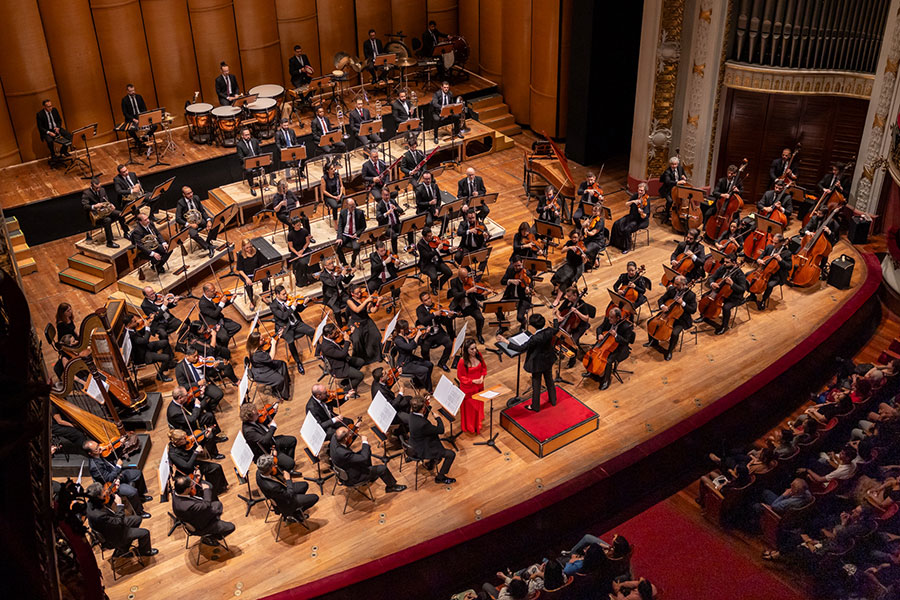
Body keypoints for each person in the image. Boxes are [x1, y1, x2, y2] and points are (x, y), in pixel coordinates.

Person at [497, 314, 558, 412]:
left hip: (537, 363)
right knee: (549, 380)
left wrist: (506, 341)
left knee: (536, 384)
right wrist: (555, 316)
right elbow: (556, 328)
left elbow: (521, 348)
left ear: (532, 326)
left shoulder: (534, 338)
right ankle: (553, 400)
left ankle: (535, 407)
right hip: (548, 359)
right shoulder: (549, 331)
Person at [85, 482, 157, 556]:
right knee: (145, 533)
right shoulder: (99, 515)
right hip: (115, 536)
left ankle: (124, 548)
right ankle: (145, 552)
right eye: (103, 491)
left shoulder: (91, 502)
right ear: (98, 496)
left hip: (111, 527)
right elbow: (118, 521)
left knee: (138, 519)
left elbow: (105, 502)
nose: (105, 492)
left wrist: (112, 492)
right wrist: (119, 505)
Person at [84, 440, 152, 517]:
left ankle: (141, 497)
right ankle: (140, 512)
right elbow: (108, 478)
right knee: (132, 492)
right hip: (112, 485)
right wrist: (118, 466)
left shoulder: (102, 453)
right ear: (90, 453)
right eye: (97, 449)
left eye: (98, 445)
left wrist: (121, 444)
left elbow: (115, 454)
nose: (100, 448)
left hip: (117, 474)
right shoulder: (94, 467)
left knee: (138, 473)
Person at [330, 426, 407, 493]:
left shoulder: (334, 438)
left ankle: (370, 476)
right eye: (349, 432)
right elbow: (364, 457)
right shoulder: (343, 453)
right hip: (353, 477)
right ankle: (391, 487)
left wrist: (355, 428)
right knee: (382, 468)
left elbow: (347, 442)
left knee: (366, 452)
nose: (350, 432)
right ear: (346, 438)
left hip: (345, 468)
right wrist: (364, 442)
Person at [239, 402, 301, 474]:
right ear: (249, 418)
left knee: (292, 440)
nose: (258, 414)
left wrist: (273, 412)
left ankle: (286, 467)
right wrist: (272, 427)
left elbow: (264, 421)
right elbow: (264, 440)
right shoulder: (249, 431)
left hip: (271, 442)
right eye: (256, 414)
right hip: (267, 451)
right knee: (291, 464)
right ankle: (284, 468)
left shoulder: (253, 420)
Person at [645, 275, 696, 361]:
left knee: (674, 334)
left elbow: (693, 310)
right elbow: (661, 299)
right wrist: (662, 306)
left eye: (677, 284)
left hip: (681, 319)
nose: (674, 286)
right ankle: (653, 341)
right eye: (675, 284)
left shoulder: (691, 295)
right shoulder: (672, 290)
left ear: (683, 285)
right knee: (650, 321)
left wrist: (683, 303)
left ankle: (669, 351)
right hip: (667, 314)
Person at [167, 386, 226, 459]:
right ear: (180, 397)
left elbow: (190, 404)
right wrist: (197, 406)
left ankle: (215, 437)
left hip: (190, 422)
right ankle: (214, 454)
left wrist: (200, 396)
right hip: (186, 431)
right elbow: (192, 419)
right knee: (208, 435)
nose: (188, 395)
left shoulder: (179, 402)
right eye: (186, 395)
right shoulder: (174, 413)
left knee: (209, 416)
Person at [408, 395, 456, 484]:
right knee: (451, 454)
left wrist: (427, 404)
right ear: (422, 409)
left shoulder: (411, 415)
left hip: (414, 443)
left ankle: (431, 462)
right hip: (423, 449)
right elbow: (441, 430)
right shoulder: (423, 424)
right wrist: (438, 419)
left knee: (437, 441)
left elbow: (422, 416)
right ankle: (440, 477)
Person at [171, 475, 235, 542]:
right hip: (200, 527)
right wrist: (206, 489)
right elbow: (206, 505)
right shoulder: (188, 506)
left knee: (218, 505)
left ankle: (214, 525)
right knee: (231, 527)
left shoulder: (176, 492)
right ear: (186, 489)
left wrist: (198, 478)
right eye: (191, 485)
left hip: (196, 517)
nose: (193, 486)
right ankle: (211, 537)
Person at [167, 429, 228, 498]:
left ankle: (217, 489)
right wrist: (195, 453)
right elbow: (187, 466)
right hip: (187, 471)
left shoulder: (184, 443)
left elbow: (197, 446)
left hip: (193, 464)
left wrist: (205, 437)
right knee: (212, 469)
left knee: (216, 467)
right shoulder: (173, 454)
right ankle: (210, 492)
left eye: (185, 437)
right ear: (177, 442)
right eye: (183, 439)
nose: (186, 439)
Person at [256, 454, 319, 518]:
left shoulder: (258, 472)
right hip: (285, 502)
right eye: (273, 465)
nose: (275, 466)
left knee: (304, 485)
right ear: (269, 469)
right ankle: (294, 513)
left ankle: (296, 507)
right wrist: (288, 479)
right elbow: (289, 495)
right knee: (315, 497)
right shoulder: (273, 487)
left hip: (280, 493)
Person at [270, 284, 314, 374]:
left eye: (285, 293)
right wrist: (293, 307)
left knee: (312, 331)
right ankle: (298, 362)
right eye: (283, 294)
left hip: (296, 323)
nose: (285, 295)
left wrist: (304, 303)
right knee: (290, 341)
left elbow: (299, 310)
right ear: (277, 295)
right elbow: (283, 316)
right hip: (285, 327)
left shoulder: (289, 299)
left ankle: (319, 352)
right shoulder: (273, 305)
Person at [701, 254, 747, 335]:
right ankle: (704, 315)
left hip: (733, 296)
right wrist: (712, 283)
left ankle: (724, 326)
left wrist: (732, 284)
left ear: (734, 263)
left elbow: (742, 289)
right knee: (704, 296)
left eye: (727, 262)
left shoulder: (739, 274)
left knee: (726, 308)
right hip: (720, 292)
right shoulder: (722, 268)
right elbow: (712, 277)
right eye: (724, 262)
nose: (724, 263)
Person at [592, 307, 635, 390]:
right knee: (594, 349)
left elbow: (626, 342)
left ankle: (606, 380)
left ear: (618, 318)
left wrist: (616, 335)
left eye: (611, 317)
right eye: (609, 316)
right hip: (607, 343)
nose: (609, 319)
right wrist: (599, 334)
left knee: (608, 360)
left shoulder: (627, 326)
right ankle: (592, 371)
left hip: (620, 348)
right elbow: (599, 328)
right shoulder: (608, 320)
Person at [319, 324, 365, 397]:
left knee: (361, 362)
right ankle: (346, 390)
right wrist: (347, 341)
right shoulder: (326, 347)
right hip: (339, 368)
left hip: (343, 360)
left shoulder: (329, 338)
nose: (337, 334)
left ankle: (349, 379)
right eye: (335, 333)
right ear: (328, 335)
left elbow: (339, 343)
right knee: (360, 376)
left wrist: (351, 333)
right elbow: (342, 354)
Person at [554, 286, 595, 367]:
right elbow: (558, 311)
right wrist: (560, 317)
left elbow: (586, 318)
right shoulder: (567, 301)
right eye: (567, 296)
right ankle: (560, 350)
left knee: (572, 342)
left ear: (575, 295)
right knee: (556, 332)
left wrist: (577, 312)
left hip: (580, 326)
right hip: (568, 324)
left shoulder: (582, 304)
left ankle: (572, 360)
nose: (567, 297)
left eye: (569, 296)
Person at [750, 233, 792, 310]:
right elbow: (761, 256)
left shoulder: (787, 253)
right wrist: (759, 260)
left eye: (775, 243)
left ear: (781, 243)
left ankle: (763, 300)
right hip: (763, 270)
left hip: (777, 275)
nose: (773, 244)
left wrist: (780, 260)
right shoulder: (769, 247)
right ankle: (752, 295)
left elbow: (789, 267)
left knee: (769, 285)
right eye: (773, 242)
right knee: (749, 276)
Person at [246, 330, 292, 401]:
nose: (264, 339)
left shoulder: (253, 347)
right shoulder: (257, 354)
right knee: (280, 379)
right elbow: (270, 358)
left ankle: (286, 383)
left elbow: (266, 353)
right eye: (261, 339)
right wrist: (273, 344)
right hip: (261, 372)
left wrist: (277, 337)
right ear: (256, 342)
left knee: (282, 364)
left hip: (262, 365)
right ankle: (282, 394)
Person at [175, 347, 225, 411]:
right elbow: (183, 386)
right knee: (201, 405)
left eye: (197, 355)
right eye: (194, 356)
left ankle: (211, 407)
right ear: (187, 356)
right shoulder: (179, 368)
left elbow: (209, 373)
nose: (197, 358)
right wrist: (197, 383)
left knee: (219, 394)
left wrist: (214, 367)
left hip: (205, 384)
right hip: (194, 390)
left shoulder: (200, 361)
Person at [126, 313, 173, 380]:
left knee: (165, 342)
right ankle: (160, 375)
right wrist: (147, 328)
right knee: (166, 357)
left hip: (144, 347)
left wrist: (148, 324)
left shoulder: (131, 329)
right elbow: (144, 341)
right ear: (128, 325)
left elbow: (140, 333)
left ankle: (168, 364)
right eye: (134, 322)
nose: (137, 322)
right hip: (142, 355)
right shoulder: (130, 335)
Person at [81, 177, 126, 247]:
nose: (98, 189)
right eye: (96, 188)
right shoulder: (86, 193)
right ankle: (109, 242)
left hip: (105, 212)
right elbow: (85, 206)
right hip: (95, 216)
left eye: (99, 187)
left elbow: (106, 201)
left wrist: (111, 205)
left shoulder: (102, 190)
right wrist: (94, 206)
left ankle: (126, 232)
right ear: (92, 186)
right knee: (107, 220)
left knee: (120, 213)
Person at [416, 291, 454, 370]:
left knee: (450, 344)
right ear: (422, 302)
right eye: (425, 300)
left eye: (429, 298)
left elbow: (444, 322)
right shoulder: (420, 309)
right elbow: (422, 320)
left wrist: (448, 317)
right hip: (427, 334)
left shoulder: (437, 307)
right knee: (424, 350)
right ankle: (428, 364)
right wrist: (433, 315)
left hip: (438, 332)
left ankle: (442, 363)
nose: (429, 301)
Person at [393, 319, 434, 392]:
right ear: (401, 330)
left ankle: (419, 382)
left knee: (430, 364)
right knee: (425, 370)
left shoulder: (407, 334)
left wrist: (425, 334)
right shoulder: (398, 340)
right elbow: (410, 347)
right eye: (406, 328)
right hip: (404, 363)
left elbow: (417, 343)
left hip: (411, 358)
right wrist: (417, 336)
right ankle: (429, 389)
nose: (409, 329)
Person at [346, 284, 383, 365]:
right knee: (356, 340)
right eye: (357, 293)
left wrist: (378, 303)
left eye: (360, 292)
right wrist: (367, 301)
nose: (360, 294)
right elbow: (357, 310)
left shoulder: (364, 298)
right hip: (356, 322)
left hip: (366, 320)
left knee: (377, 336)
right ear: (352, 294)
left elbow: (373, 310)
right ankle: (360, 360)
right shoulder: (349, 301)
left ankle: (377, 356)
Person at [448, 266, 486, 343]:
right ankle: (452, 336)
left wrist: (484, 295)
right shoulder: (453, 282)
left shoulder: (471, 280)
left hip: (471, 306)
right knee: (448, 318)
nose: (466, 279)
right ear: (459, 276)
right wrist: (467, 291)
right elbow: (456, 295)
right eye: (463, 278)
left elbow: (478, 297)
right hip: (459, 307)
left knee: (480, 318)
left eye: (466, 277)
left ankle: (479, 334)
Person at [609, 183, 650, 253]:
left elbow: (645, 216)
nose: (639, 192)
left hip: (640, 220)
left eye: (641, 191)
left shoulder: (647, 200)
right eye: (639, 190)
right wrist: (633, 201)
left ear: (645, 191)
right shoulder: (635, 195)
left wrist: (641, 213)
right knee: (616, 223)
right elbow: (626, 204)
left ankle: (627, 247)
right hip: (631, 216)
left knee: (627, 229)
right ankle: (613, 242)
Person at [175, 186, 215, 257]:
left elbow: (202, 211)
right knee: (193, 234)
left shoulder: (196, 198)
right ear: (184, 194)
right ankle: (208, 247)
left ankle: (208, 241)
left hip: (198, 220)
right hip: (188, 224)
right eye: (188, 194)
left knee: (214, 221)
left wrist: (208, 220)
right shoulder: (180, 203)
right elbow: (177, 218)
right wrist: (189, 225)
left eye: (191, 192)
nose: (190, 195)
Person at [550, 230, 587, 306]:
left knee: (566, 281)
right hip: (569, 265)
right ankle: (561, 291)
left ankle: (557, 299)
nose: (574, 239)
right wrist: (569, 247)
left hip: (577, 268)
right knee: (557, 275)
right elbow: (562, 251)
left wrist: (583, 258)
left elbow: (585, 262)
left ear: (579, 237)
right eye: (573, 237)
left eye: (576, 238)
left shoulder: (582, 246)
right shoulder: (569, 243)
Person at [457, 338, 486, 434]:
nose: (475, 351)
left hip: (479, 386)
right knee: (471, 410)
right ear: (466, 350)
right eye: (472, 349)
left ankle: (477, 423)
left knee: (478, 406)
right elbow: (461, 377)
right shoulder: (462, 361)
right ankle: (471, 427)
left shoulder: (478, 355)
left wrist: (482, 377)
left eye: (475, 348)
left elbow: (483, 367)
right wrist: (473, 381)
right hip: (468, 389)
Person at [500, 255, 533, 331]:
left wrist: (528, 289)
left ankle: (523, 323)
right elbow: (502, 281)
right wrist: (510, 281)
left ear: (522, 262)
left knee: (520, 317)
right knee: (497, 308)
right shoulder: (510, 270)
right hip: (510, 295)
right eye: (515, 266)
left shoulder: (527, 273)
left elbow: (530, 286)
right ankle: (504, 326)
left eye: (519, 265)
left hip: (523, 298)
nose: (517, 268)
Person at [121, 84, 156, 154]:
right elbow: (125, 113)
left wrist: (143, 117)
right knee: (131, 130)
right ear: (127, 91)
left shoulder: (139, 97)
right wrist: (134, 119)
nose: (133, 92)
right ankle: (138, 141)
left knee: (154, 126)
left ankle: (145, 137)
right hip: (132, 119)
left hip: (141, 117)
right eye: (131, 91)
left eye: (133, 90)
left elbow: (144, 108)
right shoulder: (124, 100)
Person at [234, 239, 270, 308]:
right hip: (246, 275)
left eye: (250, 246)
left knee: (266, 280)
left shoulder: (256, 251)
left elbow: (262, 263)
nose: (249, 249)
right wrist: (247, 278)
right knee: (248, 285)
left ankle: (264, 296)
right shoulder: (241, 255)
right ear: (243, 247)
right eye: (247, 248)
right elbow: (240, 269)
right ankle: (251, 301)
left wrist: (261, 270)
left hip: (257, 272)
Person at [418, 227, 453, 293]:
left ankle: (437, 284)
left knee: (449, 273)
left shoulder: (434, 240)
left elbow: (442, 249)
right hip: (428, 264)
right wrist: (437, 250)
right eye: (428, 236)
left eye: (431, 235)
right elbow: (427, 256)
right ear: (424, 237)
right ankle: (434, 286)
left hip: (437, 261)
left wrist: (449, 250)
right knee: (434, 277)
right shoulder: (420, 244)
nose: (431, 237)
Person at [319, 258, 352, 325]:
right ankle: (340, 325)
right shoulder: (323, 276)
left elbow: (346, 281)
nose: (332, 265)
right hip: (332, 298)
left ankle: (347, 318)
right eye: (330, 264)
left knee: (351, 302)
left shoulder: (336, 270)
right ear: (325, 266)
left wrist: (351, 274)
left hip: (341, 294)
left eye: (332, 263)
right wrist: (342, 275)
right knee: (337, 311)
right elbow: (333, 283)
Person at [368, 241, 401, 306]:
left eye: (384, 250)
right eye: (381, 251)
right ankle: (374, 303)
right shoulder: (373, 256)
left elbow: (395, 270)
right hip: (378, 278)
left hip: (389, 277)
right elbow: (375, 268)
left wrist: (396, 265)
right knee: (370, 286)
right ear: (377, 250)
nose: (383, 252)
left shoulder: (390, 253)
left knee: (397, 288)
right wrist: (384, 262)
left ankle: (394, 300)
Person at [337, 197, 366, 267]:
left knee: (356, 248)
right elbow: (340, 226)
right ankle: (344, 263)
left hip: (355, 235)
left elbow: (363, 226)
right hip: (345, 234)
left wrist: (356, 234)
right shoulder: (342, 212)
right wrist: (339, 237)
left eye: (354, 205)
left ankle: (353, 259)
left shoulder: (360, 213)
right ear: (346, 205)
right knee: (337, 246)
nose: (353, 207)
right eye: (351, 206)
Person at [236, 128, 263, 196]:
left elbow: (260, 151)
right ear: (242, 136)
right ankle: (252, 187)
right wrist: (250, 161)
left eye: (249, 134)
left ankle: (267, 182)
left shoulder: (255, 141)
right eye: (246, 135)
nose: (248, 136)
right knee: (249, 170)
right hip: (247, 163)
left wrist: (260, 157)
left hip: (257, 161)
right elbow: (241, 157)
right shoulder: (239, 145)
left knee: (270, 162)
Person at [659, 156, 687, 221]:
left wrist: (684, 177)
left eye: (675, 164)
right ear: (670, 164)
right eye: (672, 164)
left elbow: (683, 174)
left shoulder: (680, 168)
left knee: (682, 199)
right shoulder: (667, 172)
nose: (674, 166)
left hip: (678, 189)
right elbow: (668, 182)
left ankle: (679, 213)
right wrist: (678, 182)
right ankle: (667, 213)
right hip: (668, 190)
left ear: (677, 164)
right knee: (670, 201)